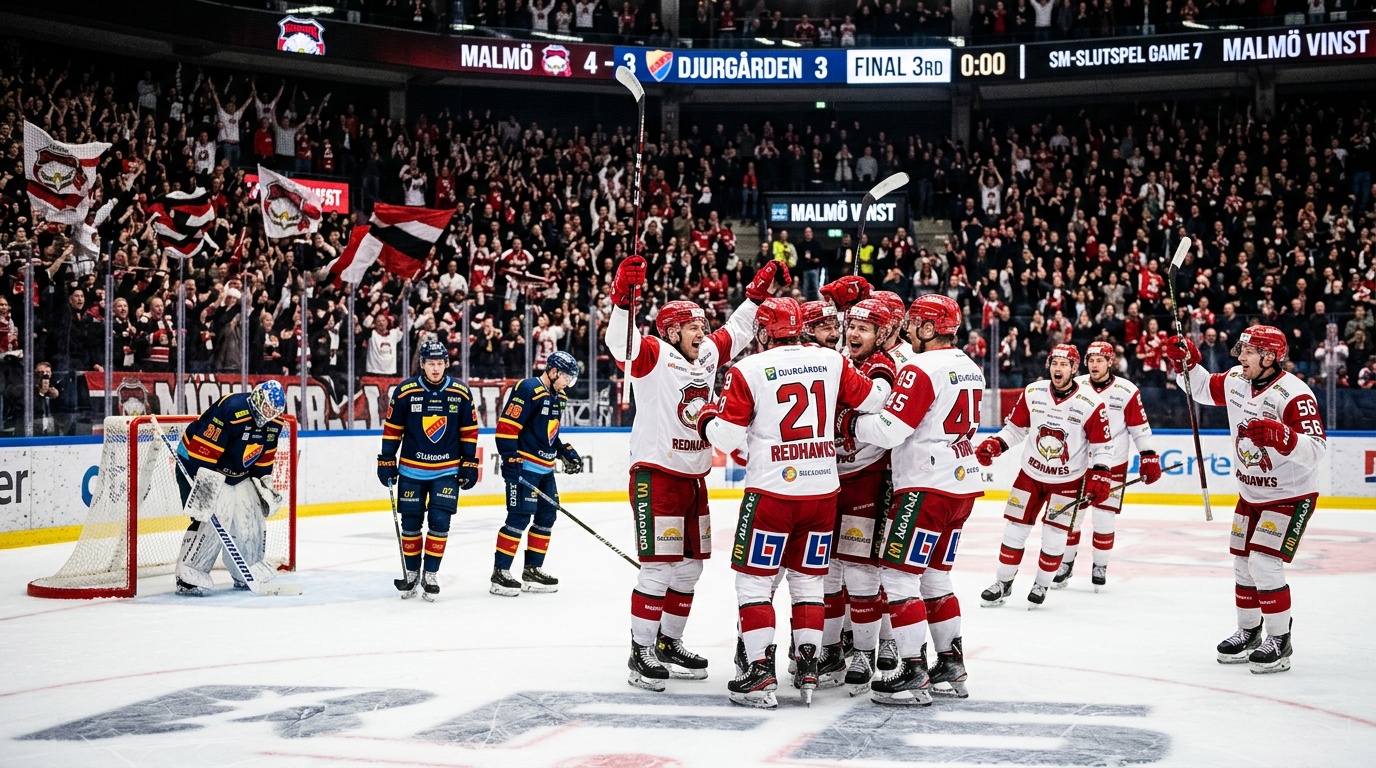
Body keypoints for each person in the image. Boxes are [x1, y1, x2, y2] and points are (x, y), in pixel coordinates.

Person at [696, 297, 888, 709]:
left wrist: (707, 415)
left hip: (772, 494)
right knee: (808, 582)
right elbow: (873, 400)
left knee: (754, 583)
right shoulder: (830, 361)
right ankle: (809, 667)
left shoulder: (747, 369)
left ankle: (759, 674)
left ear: (764, 332)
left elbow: (727, 440)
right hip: (822, 494)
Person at [607, 256, 788, 692]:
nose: (702, 334)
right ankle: (641, 650)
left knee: (690, 569)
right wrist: (621, 298)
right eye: (693, 327)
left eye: (703, 326)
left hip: (694, 479)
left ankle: (669, 642)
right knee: (658, 569)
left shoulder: (705, 353)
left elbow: (738, 332)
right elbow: (620, 344)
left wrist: (756, 293)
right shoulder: (653, 353)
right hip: (657, 475)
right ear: (671, 331)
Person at [842, 294, 986, 704]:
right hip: (962, 485)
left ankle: (912, 669)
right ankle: (951, 662)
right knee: (936, 577)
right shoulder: (970, 366)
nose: (906, 330)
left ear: (927, 329)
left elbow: (889, 430)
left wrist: (851, 421)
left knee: (899, 576)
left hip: (925, 486)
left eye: (914, 323)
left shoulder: (920, 368)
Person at [1164, 326, 1327, 674]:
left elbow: (1316, 450)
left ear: (1269, 357)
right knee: (1242, 563)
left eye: (1249, 351)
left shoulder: (1295, 395)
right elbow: (1205, 389)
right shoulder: (1238, 379)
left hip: (1289, 495)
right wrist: (1188, 363)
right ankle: (1249, 631)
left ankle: (1279, 640)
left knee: (1265, 563)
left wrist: (1282, 436)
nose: (1240, 357)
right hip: (1250, 493)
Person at [975, 344, 1114, 608]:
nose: (1058, 369)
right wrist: (996, 444)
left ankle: (1041, 583)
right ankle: (1003, 582)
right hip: (1030, 475)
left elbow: (1102, 446)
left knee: (1054, 535)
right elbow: (1015, 430)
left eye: (1064, 364)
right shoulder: (1032, 392)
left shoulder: (1091, 403)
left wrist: (1101, 475)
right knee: (1014, 530)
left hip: (1068, 481)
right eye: (1054, 363)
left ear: (1075, 369)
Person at [822, 298, 898, 695]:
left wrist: (846, 418)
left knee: (863, 572)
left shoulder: (884, 366)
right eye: (851, 325)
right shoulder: (837, 357)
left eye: (864, 328)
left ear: (881, 335)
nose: (853, 333)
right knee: (829, 573)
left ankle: (868, 649)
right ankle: (832, 648)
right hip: (828, 479)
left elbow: (879, 402)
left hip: (868, 478)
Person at [376, 340, 480, 601]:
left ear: (446, 363)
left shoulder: (460, 392)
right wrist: (387, 460)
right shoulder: (405, 392)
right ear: (422, 364)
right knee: (410, 523)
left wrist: (469, 462)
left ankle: (430, 574)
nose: (435, 369)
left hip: (446, 470)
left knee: (440, 521)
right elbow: (392, 430)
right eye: (430, 363)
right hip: (412, 470)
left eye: (439, 363)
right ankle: (412, 573)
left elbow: (469, 431)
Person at [1056, 340, 1162, 590]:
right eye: (1091, 360)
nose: (1094, 365)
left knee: (1104, 519)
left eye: (1100, 360)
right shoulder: (1077, 385)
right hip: (1079, 464)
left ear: (1110, 362)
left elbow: (1140, 428)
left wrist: (1148, 455)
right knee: (1073, 517)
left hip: (1113, 464)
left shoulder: (1126, 390)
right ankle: (1066, 563)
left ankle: (1100, 565)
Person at [174, 381, 288, 595]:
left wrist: (264, 484)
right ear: (257, 399)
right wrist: (206, 490)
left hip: (235, 472)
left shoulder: (275, 423)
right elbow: (202, 455)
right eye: (266, 408)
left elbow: (262, 462)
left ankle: (247, 568)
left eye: (273, 412)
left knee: (251, 515)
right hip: (197, 464)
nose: (268, 415)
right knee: (214, 515)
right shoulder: (232, 410)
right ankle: (189, 573)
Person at [490, 350, 583, 596]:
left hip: (545, 470)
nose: (567, 383)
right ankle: (500, 573)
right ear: (553, 372)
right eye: (566, 377)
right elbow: (506, 427)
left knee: (546, 517)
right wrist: (510, 459)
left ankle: (532, 570)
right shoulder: (528, 388)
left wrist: (564, 450)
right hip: (525, 468)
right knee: (519, 517)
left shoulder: (558, 396)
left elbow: (548, 432)